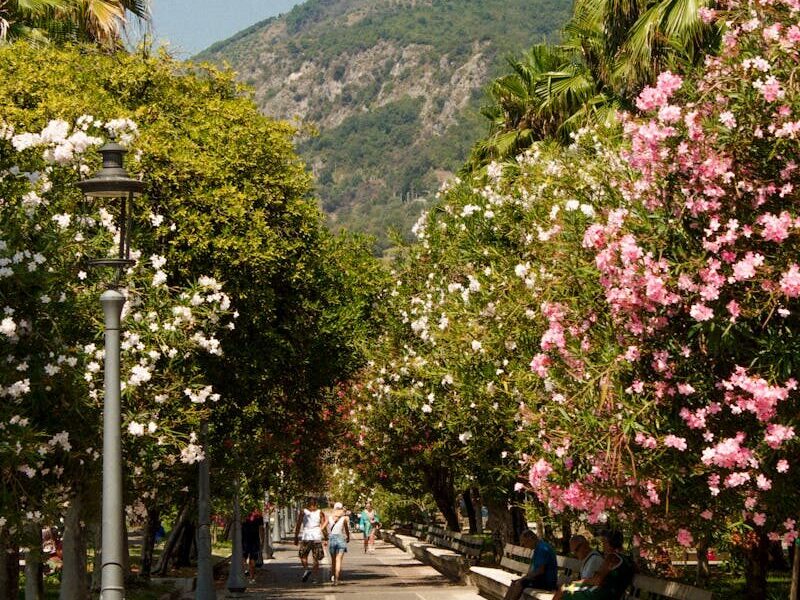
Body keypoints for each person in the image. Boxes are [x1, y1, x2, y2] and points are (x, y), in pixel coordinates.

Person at [560, 529, 636, 600]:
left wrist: (577, 583)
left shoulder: (611, 557)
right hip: (613, 595)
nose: (603, 545)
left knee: (563, 590)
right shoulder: (627, 560)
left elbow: (597, 580)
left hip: (602, 595)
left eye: (604, 542)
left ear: (609, 543)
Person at [504, 529, 558, 600]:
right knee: (514, 583)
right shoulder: (538, 547)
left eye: (525, 543)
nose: (525, 546)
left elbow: (540, 571)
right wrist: (525, 578)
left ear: (531, 538)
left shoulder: (542, 548)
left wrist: (524, 578)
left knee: (520, 583)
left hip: (548, 582)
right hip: (540, 579)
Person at [553, 535, 604, 599]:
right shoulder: (588, 558)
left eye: (576, 550)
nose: (575, 553)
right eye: (573, 551)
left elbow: (587, 583)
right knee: (561, 590)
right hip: (586, 591)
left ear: (585, 545)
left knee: (562, 591)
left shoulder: (595, 559)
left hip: (591, 594)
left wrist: (569, 586)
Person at [294, 497, 328, 582]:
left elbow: (298, 525)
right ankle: (315, 578)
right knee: (315, 558)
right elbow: (323, 526)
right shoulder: (320, 512)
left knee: (302, 555)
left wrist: (296, 537)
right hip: (316, 537)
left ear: (307, 503)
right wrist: (326, 537)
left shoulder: (303, 512)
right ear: (316, 503)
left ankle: (306, 569)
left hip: (306, 536)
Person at [327, 502, 351, 584]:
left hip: (332, 539)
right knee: (339, 560)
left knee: (333, 560)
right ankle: (336, 579)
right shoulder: (344, 519)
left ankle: (332, 576)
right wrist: (348, 537)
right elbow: (347, 530)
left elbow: (322, 527)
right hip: (341, 539)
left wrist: (325, 537)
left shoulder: (329, 518)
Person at [241, 508, 263, 583]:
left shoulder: (243, 514)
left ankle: (245, 572)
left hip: (244, 540)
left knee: (243, 557)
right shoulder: (258, 516)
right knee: (252, 559)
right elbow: (261, 529)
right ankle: (251, 578)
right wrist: (262, 540)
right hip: (254, 540)